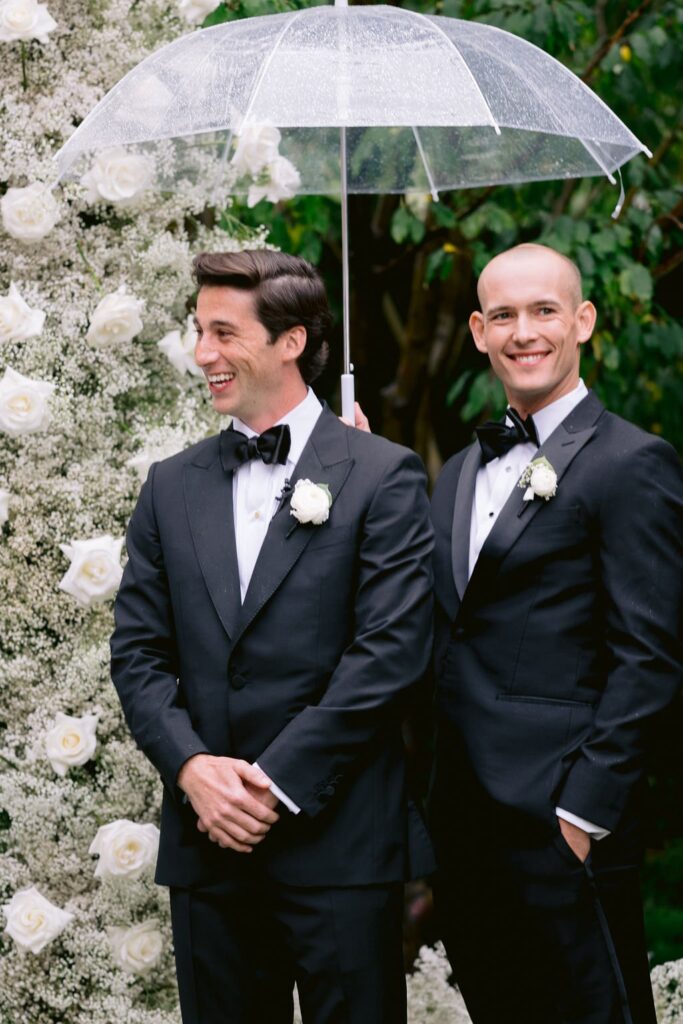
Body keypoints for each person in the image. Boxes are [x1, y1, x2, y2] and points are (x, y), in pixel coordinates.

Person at [110, 250, 434, 1024]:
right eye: (198, 331)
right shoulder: (169, 485)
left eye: (224, 332)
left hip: (341, 847)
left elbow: (388, 656)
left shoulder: (381, 477)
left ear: (291, 341)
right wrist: (192, 770)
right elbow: (138, 654)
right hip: (207, 849)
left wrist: (269, 784)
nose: (202, 354)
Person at [427, 243, 683, 1023]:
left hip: (562, 827)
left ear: (583, 321)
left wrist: (580, 817)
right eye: (501, 314)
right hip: (463, 831)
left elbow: (652, 656)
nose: (523, 331)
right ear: (476, 331)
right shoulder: (460, 473)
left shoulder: (632, 463)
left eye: (543, 311)